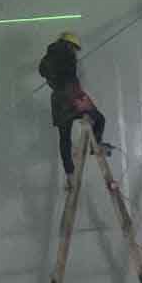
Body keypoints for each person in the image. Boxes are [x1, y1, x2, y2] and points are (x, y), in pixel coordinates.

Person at [38, 31, 108, 184]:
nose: (76, 53)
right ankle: (96, 144)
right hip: (71, 96)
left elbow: (42, 71)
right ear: (70, 45)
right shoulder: (68, 55)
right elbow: (70, 79)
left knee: (64, 138)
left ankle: (69, 173)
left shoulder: (48, 57)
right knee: (99, 118)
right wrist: (80, 99)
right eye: (75, 49)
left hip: (57, 100)